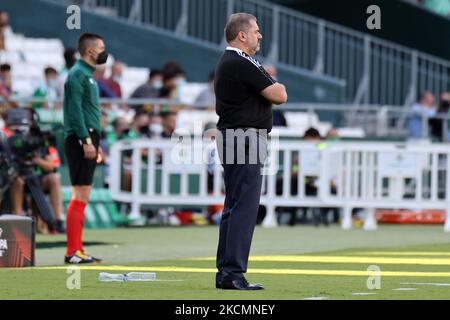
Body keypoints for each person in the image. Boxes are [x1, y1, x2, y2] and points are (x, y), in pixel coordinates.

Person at [214, 13, 287, 290]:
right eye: (256, 31)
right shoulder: (241, 61)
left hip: (234, 136)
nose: (260, 35)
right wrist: (275, 87)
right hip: (245, 137)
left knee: (234, 205)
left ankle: (226, 272)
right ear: (241, 35)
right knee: (244, 207)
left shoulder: (229, 62)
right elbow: (280, 95)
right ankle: (233, 272)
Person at [63, 33, 107, 264]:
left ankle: (77, 249)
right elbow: (75, 111)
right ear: (90, 51)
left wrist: (95, 142)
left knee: (83, 194)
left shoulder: (87, 75)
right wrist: (86, 140)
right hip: (82, 138)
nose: (104, 51)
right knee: (79, 193)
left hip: (89, 137)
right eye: (101, 47)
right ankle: (72, 251)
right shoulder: (77, 74)